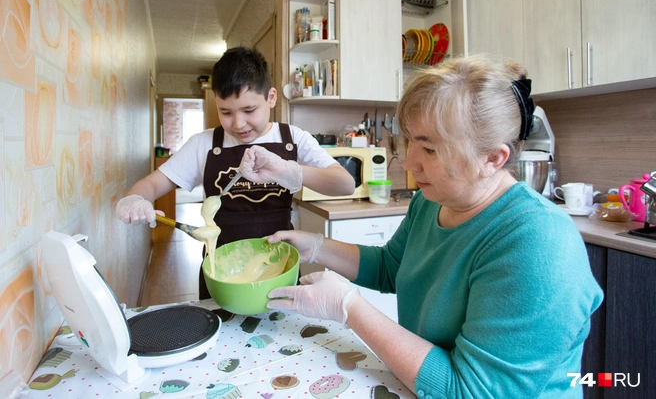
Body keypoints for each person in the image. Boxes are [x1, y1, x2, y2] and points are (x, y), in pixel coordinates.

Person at [265, 54, 604, 398]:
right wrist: (317, 247)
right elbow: (391, 267)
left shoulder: (537, 242)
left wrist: (348, 307)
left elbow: (470, 391)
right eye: (410, 139)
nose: (410, 162)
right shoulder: (431, 202)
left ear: (492, 159)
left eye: (429, 148)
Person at [116, 46, 355, 299]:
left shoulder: (292, 139)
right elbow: (152, 185)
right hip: (221, 273)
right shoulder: (204, 143)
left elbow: (345, 184)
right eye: (225, 112)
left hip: (279, 268)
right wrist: (134, 199)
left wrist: (289, 170)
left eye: (249, 110)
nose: (238, 124)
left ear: (271, 98)